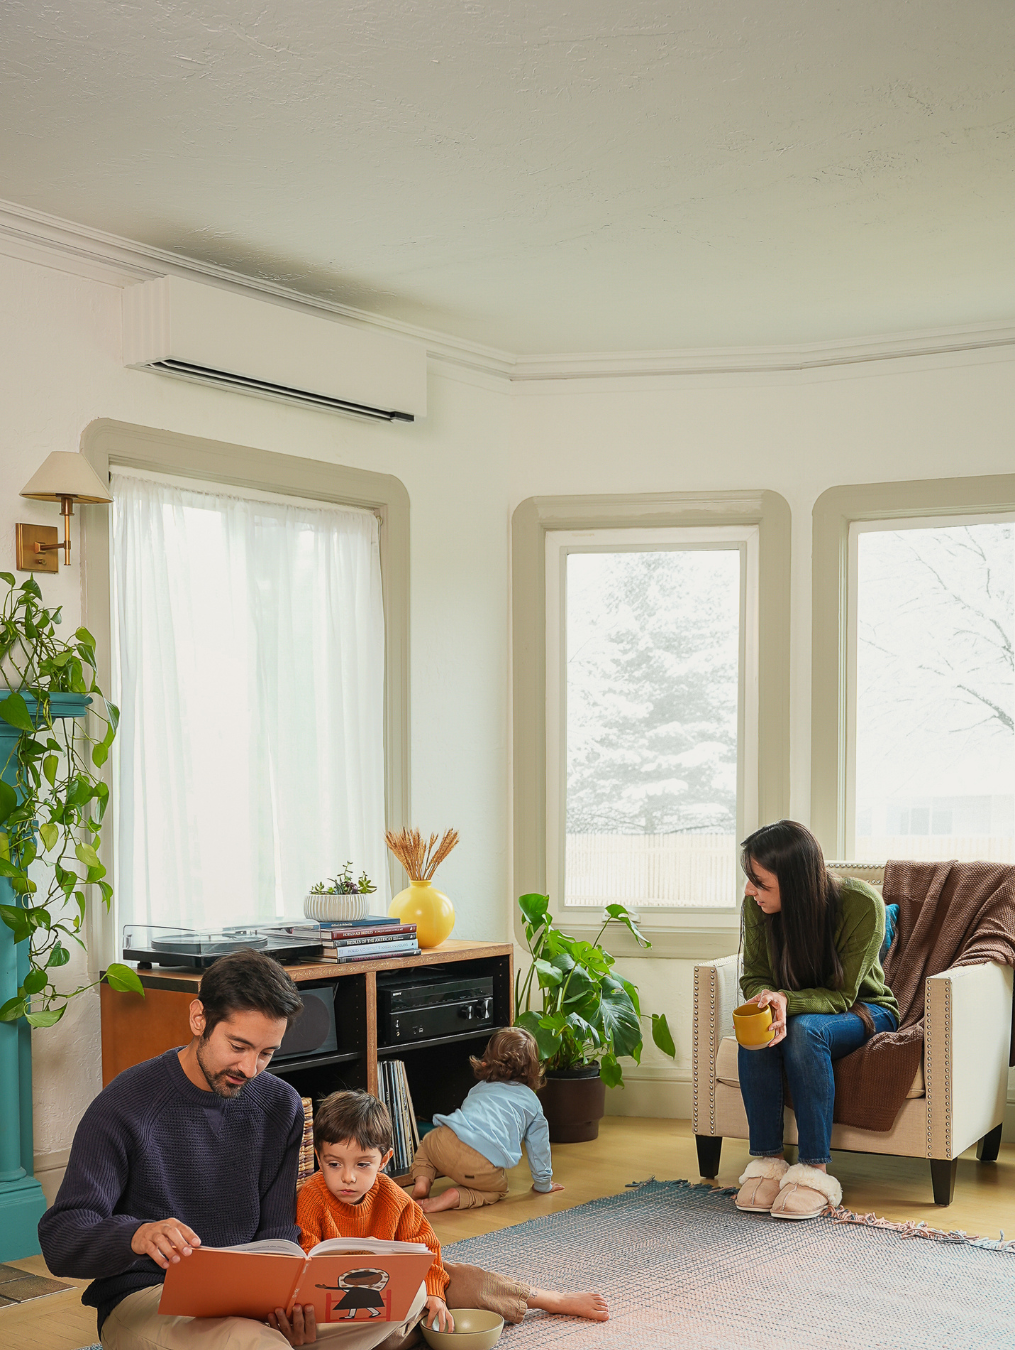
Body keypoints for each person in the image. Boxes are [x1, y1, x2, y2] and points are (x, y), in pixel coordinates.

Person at [38, 949, 382, 1349]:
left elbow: (276, 1233)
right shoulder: (125, 1105)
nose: (250, 1068)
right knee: (257, 1343)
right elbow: (61, 1238)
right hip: (153, 1297)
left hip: (252, 1300)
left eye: (266, 1053)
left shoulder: (280, 1105)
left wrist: (286, 1309)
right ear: (199, 1018)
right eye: (238, 1046)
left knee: (398, 1304)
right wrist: (137, 1235)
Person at [297, 1090, 609, 1345]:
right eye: (334, 1164)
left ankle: (548, 1299)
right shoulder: (311, 1195)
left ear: (384, 1161)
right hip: (343, 1306)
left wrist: (435, 1295)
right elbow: (308, 1268)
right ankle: (422, 1326)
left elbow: (426, 1249)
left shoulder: (391, 1196)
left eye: (362, 1165)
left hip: (402, 1291)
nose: (347, 1177)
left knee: (467, 1280)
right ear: (319, 1158)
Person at [734, 821, 900, 1220]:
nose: (749, 891)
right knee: (758, 1026)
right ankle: (768, 1163)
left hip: (864, 1009)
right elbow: (754, 975)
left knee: (804, 1032)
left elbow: (844, 995)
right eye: (749, 879)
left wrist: (784, 1000)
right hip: (799, 1007)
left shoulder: (861, 904)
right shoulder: (756, 908)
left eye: (760, 882)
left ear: (795, 881)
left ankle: (813, 1171)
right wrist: (767, 1000)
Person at [408, 1026, 561, 1213]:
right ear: (533, 1069)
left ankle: (422, 1183)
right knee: (499, 1189)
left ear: (486, 1061)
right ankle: (456, 1196)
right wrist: (543, 1184)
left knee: (426, 1145)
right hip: (481, 1165)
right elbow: (539, 1149)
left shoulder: (479, 1087)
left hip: (444, 1142)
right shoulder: (532, 1103)